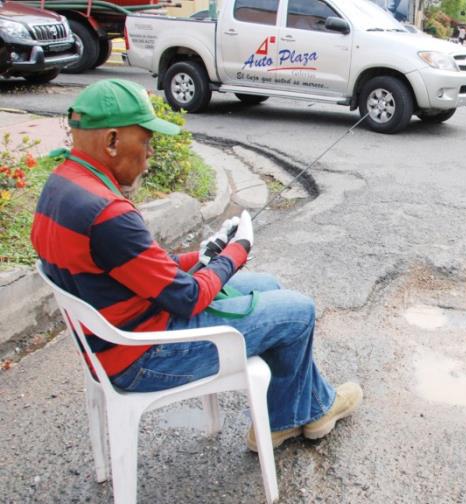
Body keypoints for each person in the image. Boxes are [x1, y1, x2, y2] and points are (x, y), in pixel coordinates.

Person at [30, 79, 362, 451]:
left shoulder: (62, 186)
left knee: (268, 286)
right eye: (145, 141)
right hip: (144, 358)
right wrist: (237, 251)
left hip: (112, 339)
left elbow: (140, 269)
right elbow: (187, 299)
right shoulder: (109, 215)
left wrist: (204, 255)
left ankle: (301, 412)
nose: (150, 153)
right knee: (298, 311)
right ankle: (291, 417)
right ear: (111, 141)